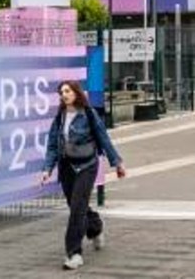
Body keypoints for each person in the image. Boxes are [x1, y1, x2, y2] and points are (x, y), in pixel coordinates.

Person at [41, 80, 126, 270]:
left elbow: (103, 138)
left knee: (77, 209)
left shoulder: (88, 113)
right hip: (66, 167)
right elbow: (53, 146)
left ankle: (74, 254)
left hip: (87, 165)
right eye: (61, 92)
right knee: (76, 205)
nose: (64, 94)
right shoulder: (60, 117)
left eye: (67, 91)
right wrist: (47, 169)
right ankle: (95, 227)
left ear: (76, 93)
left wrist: (117, 163)